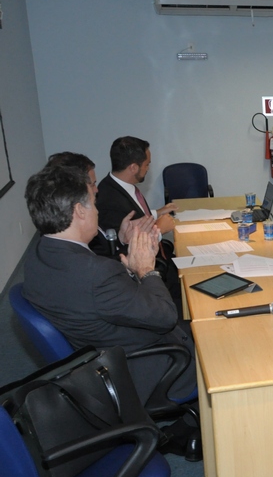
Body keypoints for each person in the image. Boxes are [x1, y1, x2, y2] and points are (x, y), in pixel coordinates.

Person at [21, 164, 197, 406]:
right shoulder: (96, 274)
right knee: (218, 343)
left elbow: (91, 291)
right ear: (79, 211)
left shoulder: (39, 254)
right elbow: (166, 316)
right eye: (93, 203)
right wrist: (147, 270)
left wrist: (125, 262)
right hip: (144, 366)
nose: (97, 211)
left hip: (97, 360)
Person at [96, 136, 177, 240]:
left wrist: (158, 212)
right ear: (133, 168)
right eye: (147, 164)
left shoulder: (119, 185)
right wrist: (159, 230)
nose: (147, 169)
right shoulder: (109, 201)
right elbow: (123, 248)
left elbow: (136, 216)